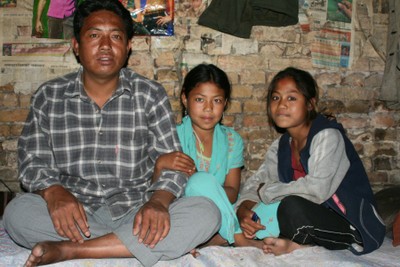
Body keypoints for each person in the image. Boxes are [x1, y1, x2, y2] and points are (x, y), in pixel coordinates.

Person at [3, 1, 220, 266]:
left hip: (136, 211)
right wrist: (53, 192)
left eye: (116, 36)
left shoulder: (150, 94)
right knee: (17, 213)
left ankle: (71, 251)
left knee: (206, 212)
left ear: (128, 46)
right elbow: (32, 160)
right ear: (76, 45)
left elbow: (173, 164)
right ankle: (128, 245)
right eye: (94, 35)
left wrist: (159, 202)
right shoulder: (49, 96)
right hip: (74, 215)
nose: (105, 45)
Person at [236, 67, 386, 256]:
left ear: (309, 104)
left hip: (351, 223)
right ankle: (291, 241)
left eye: (291, 98)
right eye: (275, 98)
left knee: (291, 206)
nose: (281, 104)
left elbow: (317, 190)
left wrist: (268, 191)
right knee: (249, 218)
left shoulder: (328, 136)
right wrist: (244, 209)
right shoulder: (282, 145)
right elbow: (257, 182)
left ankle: (296, 245)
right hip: (312, 217)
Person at [152, 64, 262, 248]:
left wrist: (206, 188)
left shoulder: (232, 140)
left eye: (217, 101)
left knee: (201, 182)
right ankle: (235, 236)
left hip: (219, 212)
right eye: (200, 100)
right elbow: (154, 191)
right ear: (185, 99)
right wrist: (160, 164)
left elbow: (233, 193)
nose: (209, 109)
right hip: (182, 211)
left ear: (225, 103)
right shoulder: (172, 137)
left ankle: (208, 239)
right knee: (197, 183)